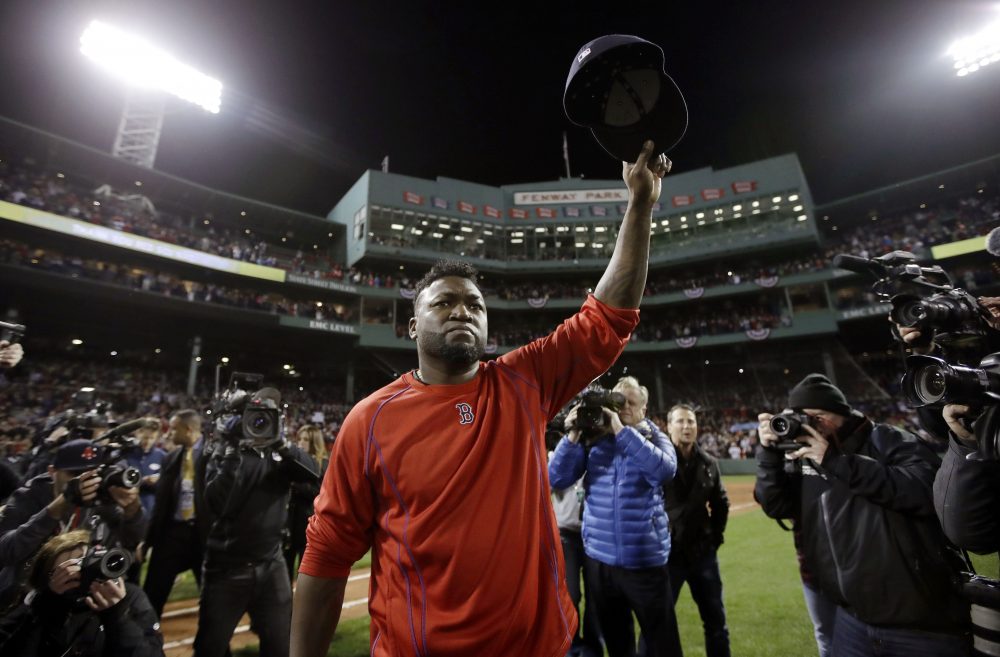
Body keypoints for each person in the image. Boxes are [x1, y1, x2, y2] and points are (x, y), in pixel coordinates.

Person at [291, 141, 670, 657]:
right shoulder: (370, 420)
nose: (462, 311)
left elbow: (606, 317)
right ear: (411, 326)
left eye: (474, 304)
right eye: (443, 302)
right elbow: (328, 553)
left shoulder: (522, 382)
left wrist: (641, 203)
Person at [754, 373, 970, 657]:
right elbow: (776, 506)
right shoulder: (805, 456)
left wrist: (836, 462)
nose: (809, 425)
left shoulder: (886, 438)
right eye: (802, 417)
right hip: (852, 619)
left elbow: (928, 492)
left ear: (843, 415)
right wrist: (768, 454)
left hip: (919, 622)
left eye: (817, 416)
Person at [549, 376, 680, 657]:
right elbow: (557, 478)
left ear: (644, 409)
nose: (624, 407)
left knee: (661, 644)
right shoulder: (594, 441)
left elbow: (663, 472)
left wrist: (621, 431)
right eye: (619, 402)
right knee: (617, 644)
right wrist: (573, 434)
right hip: (600, 563)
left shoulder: (655, 438)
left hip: (644, 563)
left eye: (631, 402)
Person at [193, 411, 319, 657]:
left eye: (263, 419)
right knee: (211, 647)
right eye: (251, 419)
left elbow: (314, 472)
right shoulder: (219, 454)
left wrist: (283, 444)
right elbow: (216, 502)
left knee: (280, 646)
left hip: (271, 565)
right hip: (227, 568)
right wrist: (231, 448)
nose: (257, 425)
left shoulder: (278, 457)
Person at [0, 438, 145, 609]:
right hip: (24, 597)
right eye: (74, 474)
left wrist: (132, 510)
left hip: (78, 595)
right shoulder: (29, 497)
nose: (84, 481)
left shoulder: (102, 501)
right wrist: (60, 505)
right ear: (53, 472)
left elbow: (132, 542)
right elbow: (6, 551)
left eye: (91, 473)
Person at [0, 529, 164, 656]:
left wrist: (118, 616)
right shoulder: (37, 607)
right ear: (47, 582)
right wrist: (46, 606)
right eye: (67, 571)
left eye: (87, 561)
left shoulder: (129, 596)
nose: (84, 572)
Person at [663, 403, 730, 657]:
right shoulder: (659, 461)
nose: (686, 426)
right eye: (680, 421)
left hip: (703, 555)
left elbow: (720, 504)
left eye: (690, 421)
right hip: (668, 556)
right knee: (659, 623)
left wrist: (715, 537)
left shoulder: (709, 463)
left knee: (716, 622)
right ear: (669, 427)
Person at [142, 409, 209, 617]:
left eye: (173, 429)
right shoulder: (170, 458)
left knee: (212, 604)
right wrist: (147, 541)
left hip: (203, 537)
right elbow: (161, 504)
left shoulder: (215, 456)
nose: (168, 434)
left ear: (188, 430)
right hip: (171, 535)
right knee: (152, 597)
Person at [552, 471, 603, 657]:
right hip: (566, 534)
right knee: (570, 594)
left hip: (594, 534)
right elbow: (547, 483)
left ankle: (592, 648)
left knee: (596, 597)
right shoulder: (562, 456)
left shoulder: (596, 456)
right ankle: (570, 646)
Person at [284, 424, 326, 581]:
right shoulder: (294, 463)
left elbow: (319, 493)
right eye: (299, 438)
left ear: (314, 442)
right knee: (284, 576)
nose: (301, 442)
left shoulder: (323, 464)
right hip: (290, 525)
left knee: (306, 576)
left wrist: (294, 485)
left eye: (306, 439)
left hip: (310, 527)